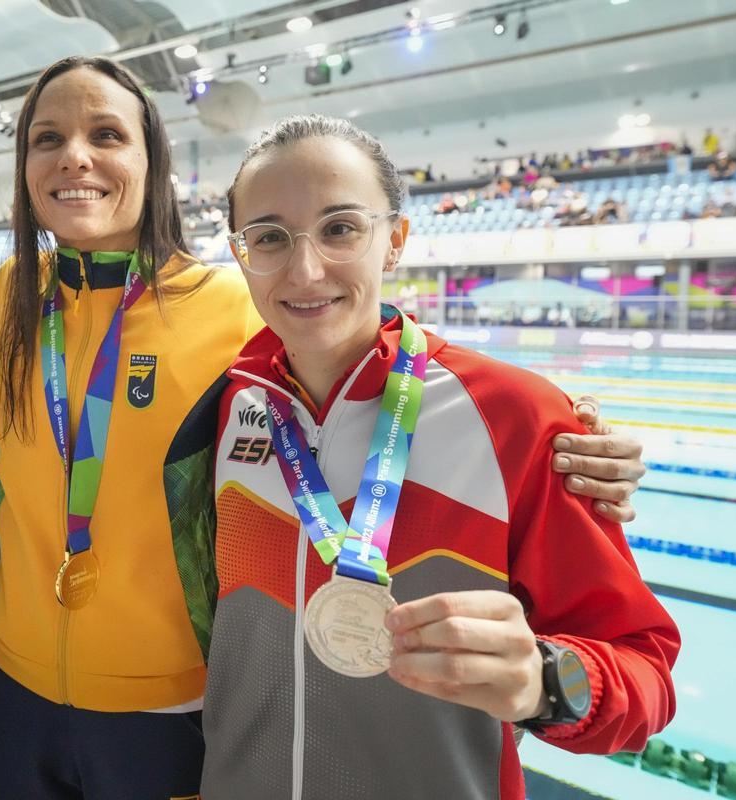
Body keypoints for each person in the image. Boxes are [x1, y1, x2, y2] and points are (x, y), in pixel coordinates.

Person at [0, 58, 647, 799]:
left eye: (106, 134)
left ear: (152, 160)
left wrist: (563, 435)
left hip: (169, 705)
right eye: (47, 138)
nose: (74, 157)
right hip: (10, 687)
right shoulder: (9, 298)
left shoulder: (233, 309)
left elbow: (366, 348)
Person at [202, 115, 679, 799]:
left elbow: (645, 672)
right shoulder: (220, 409)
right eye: (270, 238)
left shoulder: (515, 416)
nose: (305, 269)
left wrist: (548, 681)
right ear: (241, 252)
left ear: (393, 241)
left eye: (340, 229)